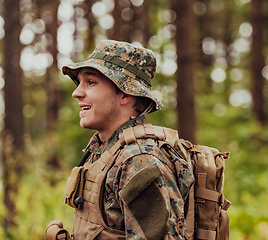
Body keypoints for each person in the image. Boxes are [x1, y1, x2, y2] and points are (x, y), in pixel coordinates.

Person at [48, 40, 194, 240]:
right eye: (80, 83)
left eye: (90, 82)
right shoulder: (107, 151)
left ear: (125, 93)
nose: (77, 93)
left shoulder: (138, 161)